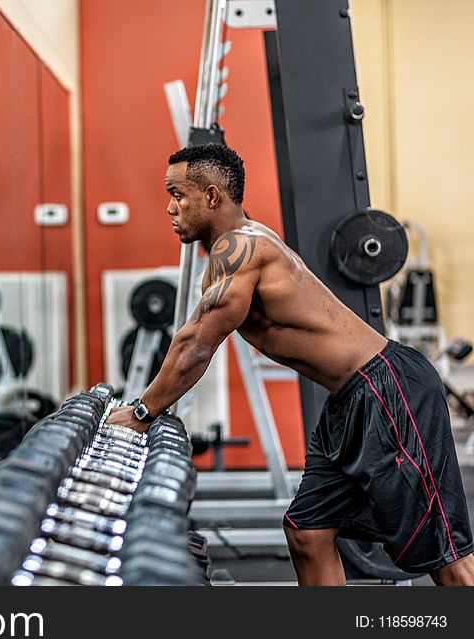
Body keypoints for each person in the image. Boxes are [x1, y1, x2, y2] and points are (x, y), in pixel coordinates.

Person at [106, 143, 474, 585]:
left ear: (211, 196)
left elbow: (196, 345)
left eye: (177, 194)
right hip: (349, 401)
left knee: (448, 559)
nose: (169, 207)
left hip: (388, 390)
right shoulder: (237, 249)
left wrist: (142, 413)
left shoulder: (241, 250)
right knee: (308, 532)